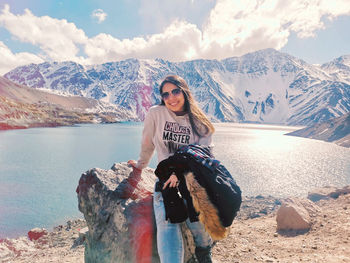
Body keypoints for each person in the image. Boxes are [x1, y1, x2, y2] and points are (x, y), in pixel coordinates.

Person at [128, 75, 215, 263]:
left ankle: (204, 249)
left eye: (175, 91)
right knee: (166, 224)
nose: (171, 98)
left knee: (197, 225)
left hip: (193, 182)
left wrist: (179, 170)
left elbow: (206, 157)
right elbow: (147, 143)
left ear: (184, 92)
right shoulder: (155, 113)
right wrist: (141, 165)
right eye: (165, 94)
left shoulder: (200, 122)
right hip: (166, 182)